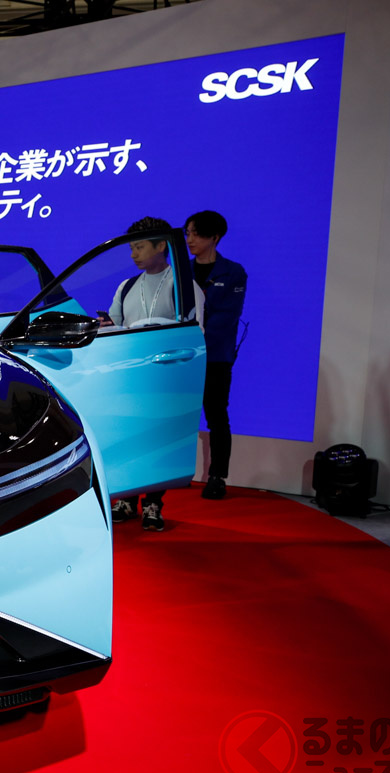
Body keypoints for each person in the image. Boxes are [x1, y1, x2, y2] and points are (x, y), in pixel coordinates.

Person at [108, 216, 197, 532]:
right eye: (131, 248)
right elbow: (114, 326)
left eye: (140, 247)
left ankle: (154, 504)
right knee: (130, 437)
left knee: (160, 441)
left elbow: (195, 330)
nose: (133, 254)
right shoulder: (126, 287)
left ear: (162, 246)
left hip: (167, 377)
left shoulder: (183, 284)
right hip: (131, 377)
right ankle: (127, 499)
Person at [185, 210, 247, 500]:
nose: (190, 239)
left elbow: (227, 317)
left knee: (217, 416)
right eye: (188, 233)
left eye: (196, 234)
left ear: (215, 237)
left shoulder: (233, 272)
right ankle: (174, 473)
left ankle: (217, 476)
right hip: (183, 357)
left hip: (215, 357)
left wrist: (197, 336)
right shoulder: (180, 272)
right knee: (177, 417)